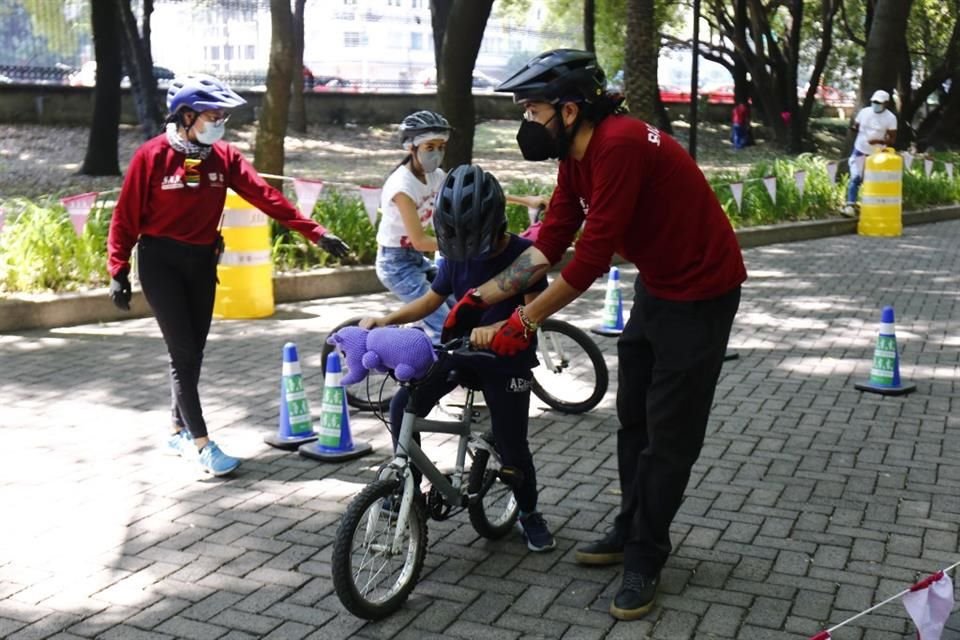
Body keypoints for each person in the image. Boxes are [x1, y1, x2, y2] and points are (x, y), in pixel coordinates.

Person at [441, 49, 746, 620]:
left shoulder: (620, 145)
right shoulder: (576, 157)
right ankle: (631, 525)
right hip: (660, 285)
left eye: (532, 111)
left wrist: (523, 322)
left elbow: (590, 260)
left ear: (570, 109)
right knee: (633, 416)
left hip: (703, 293)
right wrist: (479, 298)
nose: (525, 123)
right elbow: (553, 238)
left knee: (669, 435)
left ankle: (646, 554)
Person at [106, 74, 350, 477]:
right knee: (182, 353)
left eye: (222, 115)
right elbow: (125, 216)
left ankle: (177, 430)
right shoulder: (151, 157)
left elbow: (266, 196)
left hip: (202, 262)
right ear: (186, 116)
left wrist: (316, 233)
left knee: (192, 353)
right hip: (160, 261)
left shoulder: (223, 157)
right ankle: (202, 443)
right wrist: (118, 270)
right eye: (212, 114)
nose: (220, 122)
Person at [359, 164, 556, 552]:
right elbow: (432, 300)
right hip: (459, 351)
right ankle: (407, 483)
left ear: (496, 224)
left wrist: (502, 328)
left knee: (513, 448)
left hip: (507, 361)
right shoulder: (455, 253)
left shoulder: (523, 257)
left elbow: (537, 314)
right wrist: (386, 318)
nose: (466, 246)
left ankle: (530, 513)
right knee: (404, 404)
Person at [375, 110, 453, 342]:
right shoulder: (402, 186)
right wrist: (466, 246)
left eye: (441, 147)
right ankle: (433, 377)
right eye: (430, 147)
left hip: (416, 260)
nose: (437, 154)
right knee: (445, 325)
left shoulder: (436, 176)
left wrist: (525, 200)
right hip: (396, 264)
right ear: (412, 148)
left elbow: (472, 191)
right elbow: (420, 241)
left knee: (462, 309)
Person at [844, 89, 898, 217]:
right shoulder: (864, 112)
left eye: (879, 102)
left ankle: (870, 206)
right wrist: (854, 128)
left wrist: (878, 140)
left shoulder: (890, 118)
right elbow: (856, 126)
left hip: (877, 155)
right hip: (859, 150)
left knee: (872, 181)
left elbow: (892, 139)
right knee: (855, 177)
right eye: (874, 101)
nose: (875, 104)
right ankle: (850, 204)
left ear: (885, 103)